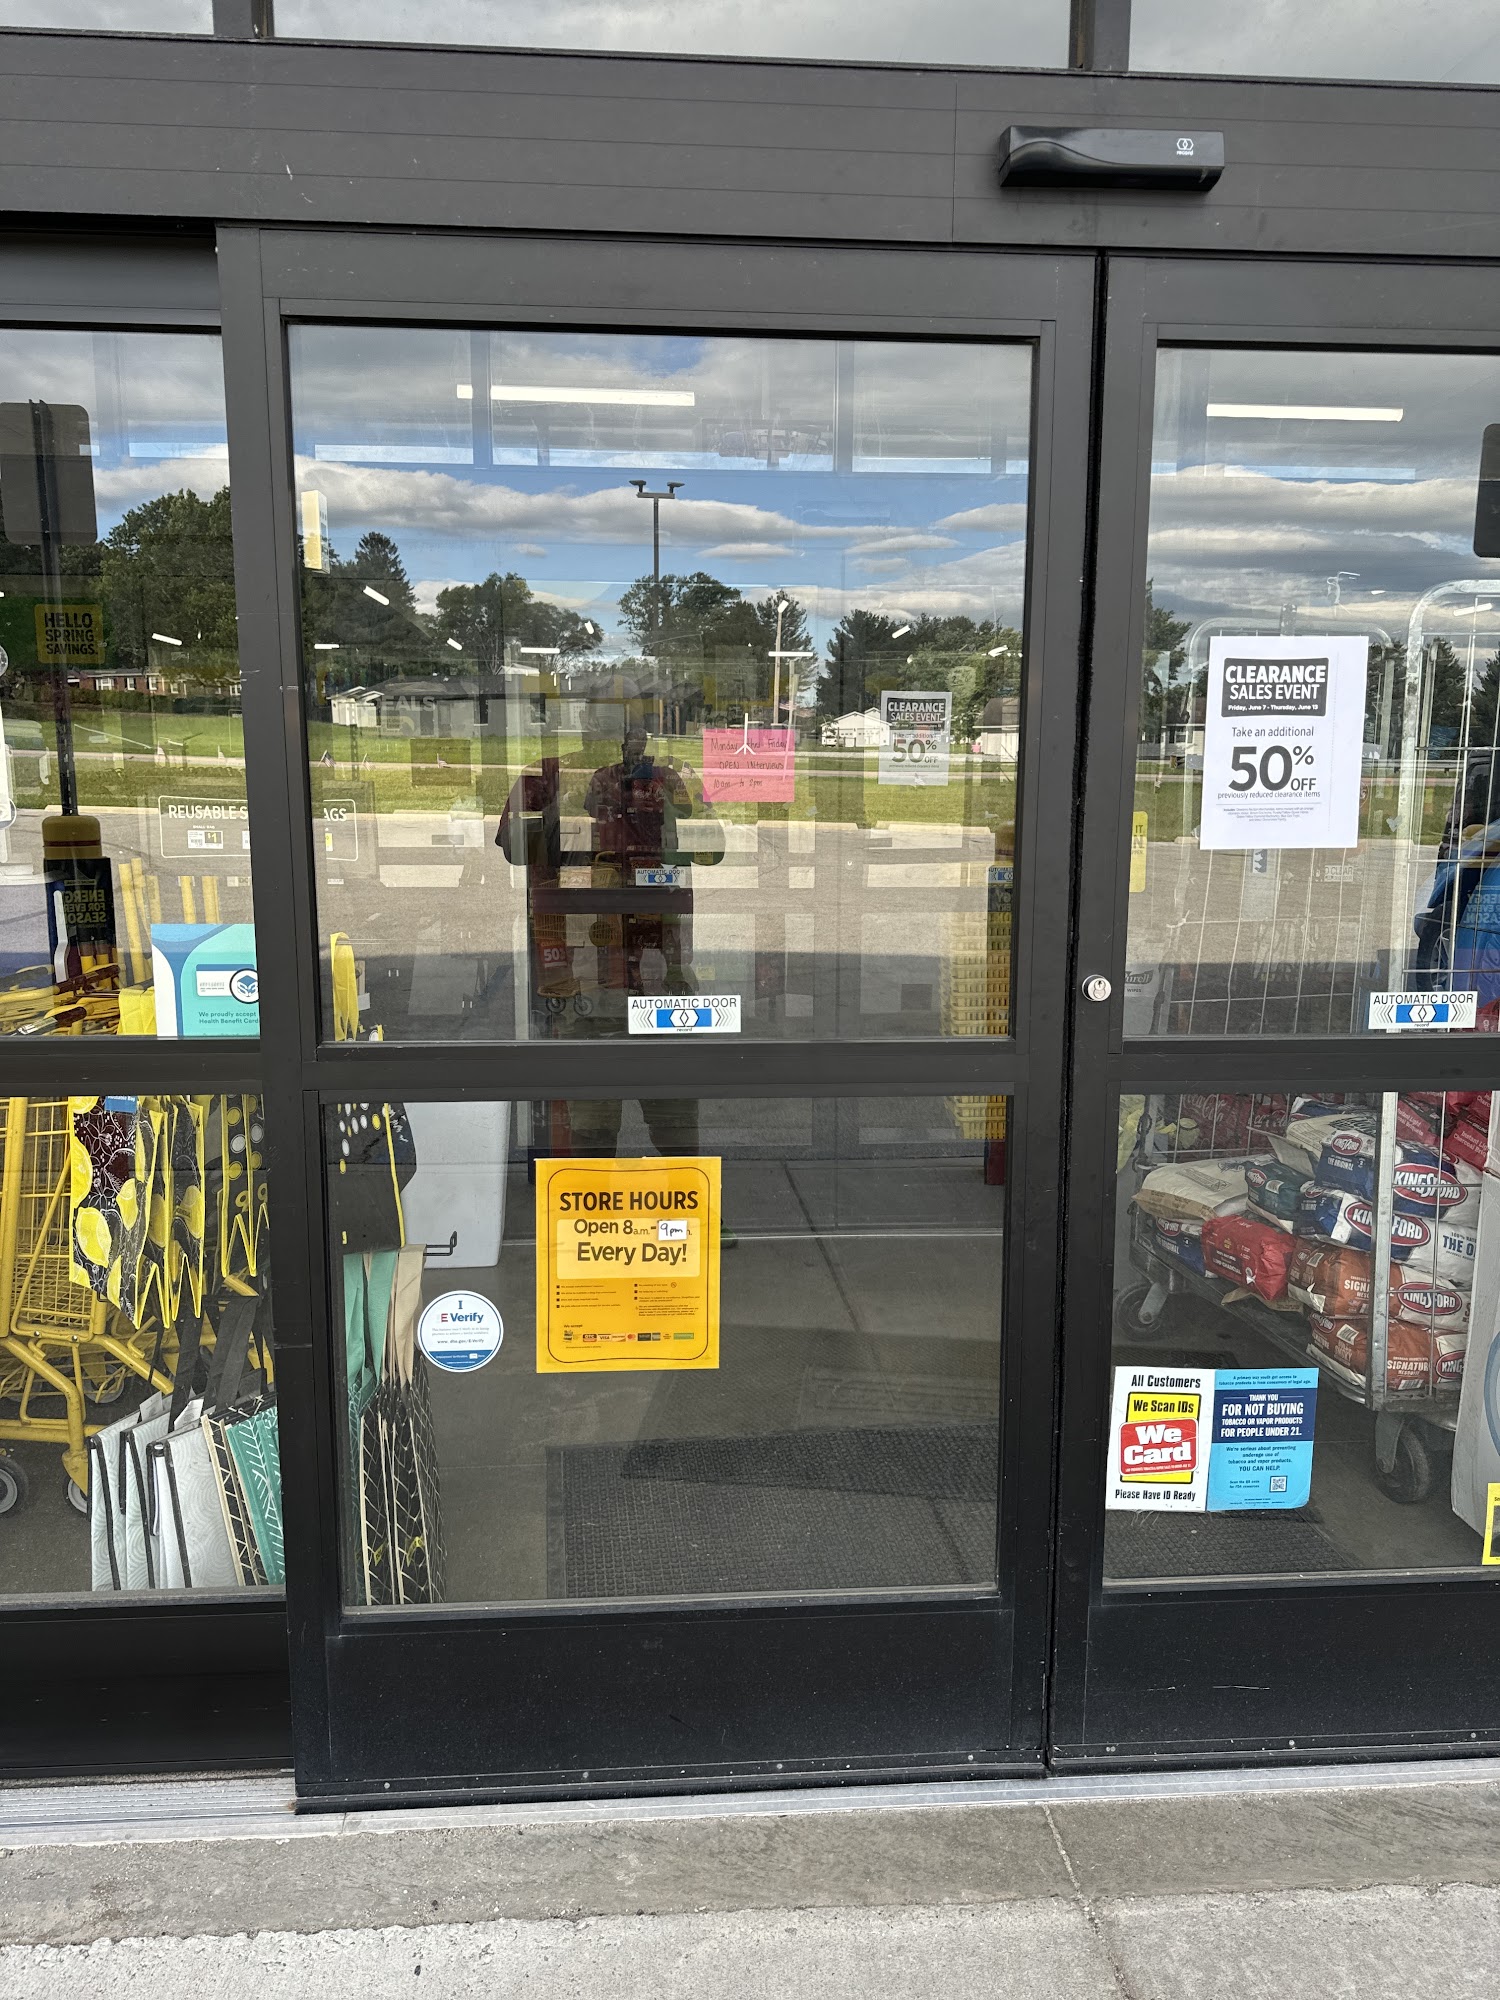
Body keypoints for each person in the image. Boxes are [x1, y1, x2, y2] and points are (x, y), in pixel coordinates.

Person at [496, 673, 720, 1156]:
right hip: (583, 981)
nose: (627, 734)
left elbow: (713, 849)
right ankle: (593, 1201)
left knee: (676, 1124)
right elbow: (514, 848)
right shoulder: (548, 775)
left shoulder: (668, 778)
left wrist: (669, 814)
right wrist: (566, 806)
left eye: (636, 722)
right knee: (591, 1129)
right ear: (588, 723)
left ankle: (689, 1195)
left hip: (660, 975)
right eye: (614, 720)